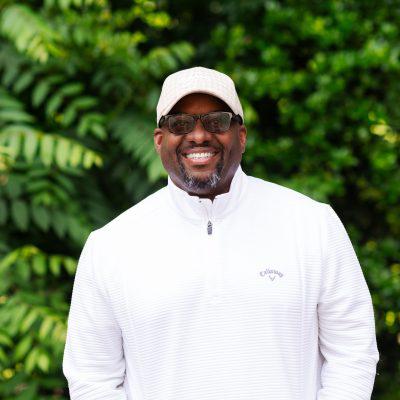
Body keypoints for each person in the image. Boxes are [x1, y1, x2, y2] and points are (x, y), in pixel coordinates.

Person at [63, 66, 379, 399]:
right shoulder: (111, 246)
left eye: (217, 121)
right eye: (180, 123)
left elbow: (352, 352)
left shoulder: (312, 224)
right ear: (159, 140)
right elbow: (92, 378)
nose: (199, 135)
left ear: (241, 135)